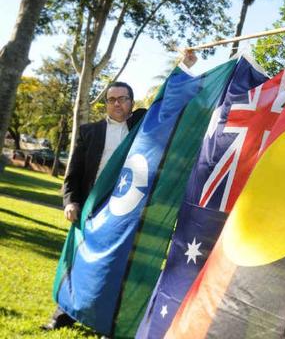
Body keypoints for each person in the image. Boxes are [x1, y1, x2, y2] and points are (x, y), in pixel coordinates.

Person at [42, 52, 197, 332]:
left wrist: (183, 66)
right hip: (91, 207)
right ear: (106, 104)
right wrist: (70, 202)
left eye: (122, 99)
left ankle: (110, 322)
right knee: (77, 263)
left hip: (127, 211)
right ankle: (62, 314)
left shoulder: (142, 124)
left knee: (117, 269)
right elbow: (73, 174)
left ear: (131, 103)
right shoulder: (89, 132)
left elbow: (167, 100)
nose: (116, 103)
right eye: (111, 99)